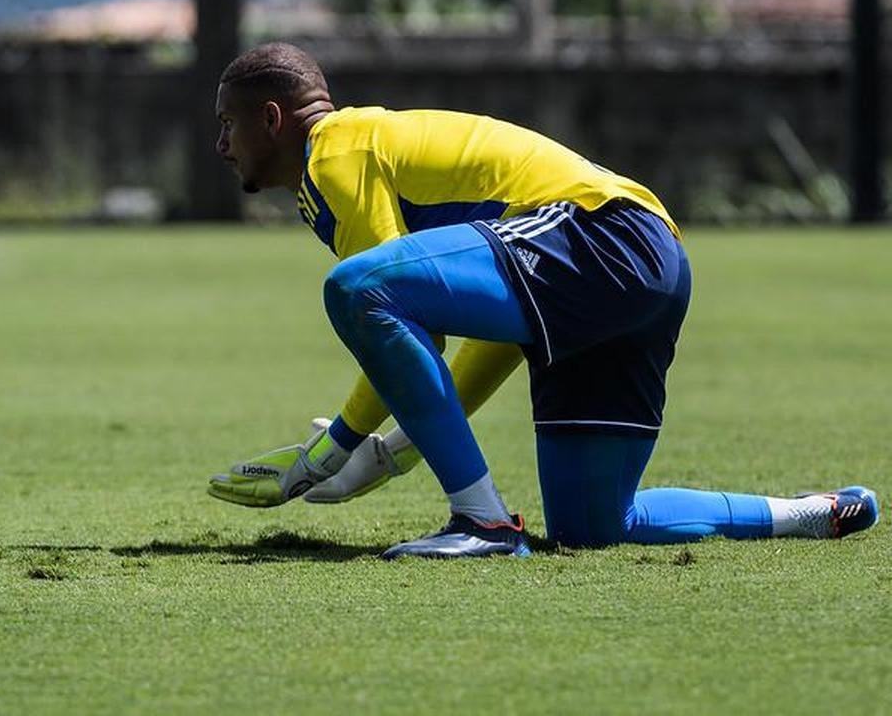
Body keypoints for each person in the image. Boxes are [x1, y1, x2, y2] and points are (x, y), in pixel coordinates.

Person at [205, 42, 878, 559]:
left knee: (354, 286)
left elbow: (381, 304)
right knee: (594, 524)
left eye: (228, 124)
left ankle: (483, 524)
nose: (221, 145)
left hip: (597, 232)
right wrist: (395, 450)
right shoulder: (356, 155)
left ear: (272, 119)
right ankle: (807, 513)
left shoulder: (333, 153)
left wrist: (332, 453)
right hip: (643, 262)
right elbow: (501, 329)